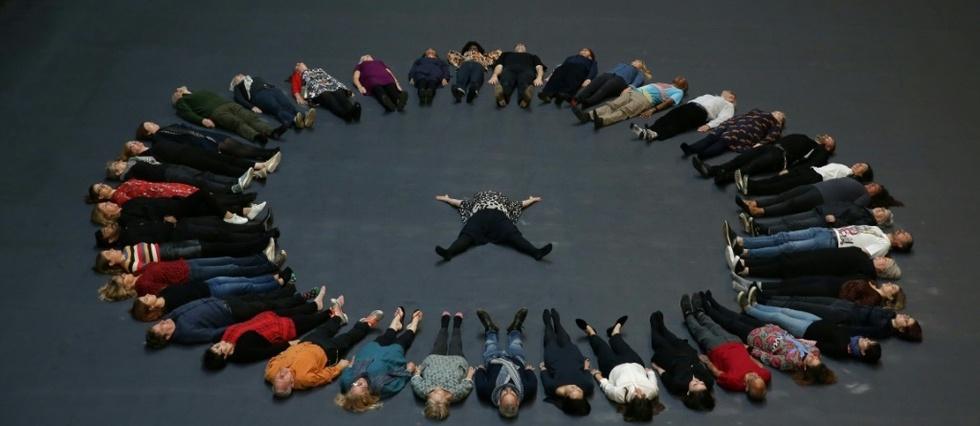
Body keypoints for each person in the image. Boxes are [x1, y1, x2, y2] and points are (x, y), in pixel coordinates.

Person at [698, 292, 836, 385]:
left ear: (805, 367)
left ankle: (709, 310)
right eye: (816, 359)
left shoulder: (790, 362)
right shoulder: (813, 352)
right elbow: (813, 347)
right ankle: (715, 304)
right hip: (771, 329)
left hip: (758, 338)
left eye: (812, 360)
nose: (813, 357)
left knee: (731, 323)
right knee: (739, 317)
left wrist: (751, 349)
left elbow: (769, 358)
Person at [204, 290, 340, 370]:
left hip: (265, 319)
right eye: (220, 349)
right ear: (225, 356)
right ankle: (332, 312)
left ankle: (316, 304)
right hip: (280, 331)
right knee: (306, 321)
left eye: (216, 346)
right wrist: (288, 345)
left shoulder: (225, 336)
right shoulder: (241, 354)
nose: (220, 344)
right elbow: (265, 352)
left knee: (294, 311)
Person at [265, 308, 384, 398]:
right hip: (328, 351)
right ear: (292, 383)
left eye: (278, 376)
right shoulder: (304, 379)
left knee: (325, 329)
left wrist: (289, 349)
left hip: (305, 343)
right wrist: (339, 367)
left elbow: (274, 360)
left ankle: (338, 317)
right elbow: (325, 375)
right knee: (348, 338)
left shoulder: (271, 374)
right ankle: (367, 323)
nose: (282, 371)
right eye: (284, 376)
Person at [144, 291, 323, 349]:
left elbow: (187, 306)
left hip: (223, 301)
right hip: (233, 313)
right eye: (162, 328)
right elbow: (213, 334)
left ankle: (299, 298)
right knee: (275, 310)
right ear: (168, 337)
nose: (163, 322)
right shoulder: (186, 333)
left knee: (265, 299)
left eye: (159, 323)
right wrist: (240, 326)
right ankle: (311, 305)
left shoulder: (172, 319)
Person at [739, 291, 883, 363]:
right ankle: (757, 305)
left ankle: (749, 310)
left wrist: (804, 341)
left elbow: (821, 345)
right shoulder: (853, 339)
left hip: (806, 330)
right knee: (785, 311)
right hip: (817, 321)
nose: (866, 339)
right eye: (869, 340)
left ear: (863, 353)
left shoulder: (843, 350)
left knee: (778, 318)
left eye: (868, 343)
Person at [679, 294, 771, 401]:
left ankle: (688, 314)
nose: (755, 374)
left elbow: (718, 374)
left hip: (717, 349)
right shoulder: (765, 376)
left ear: (746, 387)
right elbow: (760, 365)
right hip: (736, 344)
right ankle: (699, 312)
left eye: (753, 378)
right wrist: (747, 354)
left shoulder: (734, 382)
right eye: (758, 377)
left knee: (701, 331)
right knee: (714, 326)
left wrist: (708, 362)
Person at [576, 316, 665, 422]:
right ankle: (614, 332)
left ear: (630, 404)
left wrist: (596, 374)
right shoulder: (652, 391)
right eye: (643, 395)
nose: (639, 391)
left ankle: (590, 332)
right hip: (634, 362)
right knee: (619, 343)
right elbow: (652, 378)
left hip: (612, 367)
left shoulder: (618, 395)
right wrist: (649, 372)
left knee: (601, 347)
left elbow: (606, 385)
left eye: (636, 395)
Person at [336, 307, 422, 412]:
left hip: (372, 350)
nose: (358, 382)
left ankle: (397, 323)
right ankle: (413, 325)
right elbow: (398, 383)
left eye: (354, 385)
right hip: (391, 356)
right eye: (360, 385)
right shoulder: (380, 389)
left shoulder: (346, 382)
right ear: (367, 393)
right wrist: (408, 370)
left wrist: (350, 365)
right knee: (404, 339)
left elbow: (347, 371)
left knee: (387, 334)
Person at [97, 253, 284, 301]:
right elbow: (168, 290)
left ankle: (262, 260)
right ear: (126, 287)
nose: (124, 275)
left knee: (227, 260)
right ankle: (268, 267)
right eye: (123, 279)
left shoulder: (139, 274)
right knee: (230, 268)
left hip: (187, 265)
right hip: (190, 275)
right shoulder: (144, 287)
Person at [128, 272, 302, 322]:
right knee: (247, 287)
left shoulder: (162, 293)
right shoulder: (170, 309)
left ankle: (273, 278)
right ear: (150, 308)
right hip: (212, 294)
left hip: (207, 283)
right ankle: (278, 283)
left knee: (242, 278)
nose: (147, 295)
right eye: (145, 299)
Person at [434, 191, 552, 261]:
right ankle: (449, 252)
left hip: (498, 216)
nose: (490, 192)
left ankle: (536, 252)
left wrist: (531, 200)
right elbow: (458, 202)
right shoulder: (474, 202)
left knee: (514, 235)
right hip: (480, 216)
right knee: (467, 235)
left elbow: (521, 204)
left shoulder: (506, 203)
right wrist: (447, 199)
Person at [755, 294, 922, 342]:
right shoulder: (890, 313)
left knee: (798, 307)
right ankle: (764, 298)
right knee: (802, 299)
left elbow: (859, 330)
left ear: (901, 329)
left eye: (907, 321)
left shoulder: (883, 329)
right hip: (843, 305)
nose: (905, 316)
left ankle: (762, 302)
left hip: (840, 315)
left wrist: (839, 327)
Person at [693, 134, 836, 186]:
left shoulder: (820, 152)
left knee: (752, 166)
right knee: (741, 159)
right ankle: (712, 169)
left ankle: (724, 177)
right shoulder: (807, 138)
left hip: (781, 157)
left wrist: (789, 171)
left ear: (830, 147)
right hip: (772, 147)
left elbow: (811, 164)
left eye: (831, 139)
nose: (827, 136)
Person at [410, 311, 474, 420]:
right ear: (447, 401)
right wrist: (469, 375)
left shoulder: (422, 391)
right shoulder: (456, 394)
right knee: (456, 342)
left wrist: (417, 372)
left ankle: (444, 324)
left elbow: (415, 381)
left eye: (433, 393)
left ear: (428, 399)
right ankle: (457, 325)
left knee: (440, 341)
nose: (437, 390)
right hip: (456, 361)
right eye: (440, 394)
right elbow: (467, 386)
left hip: (435, 359)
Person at [473, 308, 537, 419]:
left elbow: (479, 380)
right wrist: (529, 370)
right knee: (516, 344)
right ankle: (515, 328)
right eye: (512, 393)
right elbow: (533, 381)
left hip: (494, 358)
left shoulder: (486, 391)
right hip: (516, 359)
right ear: (517, 402)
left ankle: (490, 329)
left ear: (498, 402)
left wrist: (480, 370)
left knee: (491, 344)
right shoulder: (527, 391)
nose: (509, 389)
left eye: (504, 393)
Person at [648, 310, 715, 411]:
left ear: (688, 392)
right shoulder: (709, 381)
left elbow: (665, 376)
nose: (698, 381)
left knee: (658, 340)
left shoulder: (676, 386)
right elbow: (703, 367)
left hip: (670, 358)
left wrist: (657, 368)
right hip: (686, 353)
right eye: (701, 383)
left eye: (695, 384)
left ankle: (654, 325)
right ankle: (662, 325)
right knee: (670, 336)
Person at [726, 223, 914, 258]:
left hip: (833, 243)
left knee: (788, 247)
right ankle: (743, 242)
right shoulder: (877, 230)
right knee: (783, 237)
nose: (903, 231)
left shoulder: (884, 245)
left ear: (899, 244)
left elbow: (864, 254)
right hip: (828, 231)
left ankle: (748, 253)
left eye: (905, 236)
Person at [94, 237, 274, 274]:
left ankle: (255, 249)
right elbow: (153, 267)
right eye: (109, 253)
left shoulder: (126, 250)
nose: (112, 250)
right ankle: (255, 250)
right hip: (171, 255)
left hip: (166, 244)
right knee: (212, 249)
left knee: (204, 243)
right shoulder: (130, 265)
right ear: (111, 263)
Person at [171, 86, 282, 144]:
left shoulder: (195, 93)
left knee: (249, 117)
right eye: (177, 92)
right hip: (216, 112)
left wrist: (185, 90)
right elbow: (187, 114)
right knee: (236, 123)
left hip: (228, 104)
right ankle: (256, 136)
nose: (178, 90)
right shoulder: (182, 101)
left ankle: (272, 132)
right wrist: (202, 120)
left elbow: (186, 90)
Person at [738, 179, 903, 218]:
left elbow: (853, 206)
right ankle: (755, 202)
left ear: (876, 194)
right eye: (873, 184)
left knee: (792, 204)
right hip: (817, 187)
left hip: (823, 197)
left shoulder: (865, 197)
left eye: (876, 188)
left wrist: (832, 208)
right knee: (784, 196)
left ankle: (761, 211)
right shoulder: (857, 182)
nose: (872, 186)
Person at [120, 140, 280, 179]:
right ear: (131, 151)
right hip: (186, 160)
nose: (135, 144)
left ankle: (260, 164)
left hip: (190, 151)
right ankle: (254, 174)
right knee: (220, 166)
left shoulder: (155, 144)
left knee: (225, 158)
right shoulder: (145, 157)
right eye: (131, 145)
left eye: (133, 141)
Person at [90, 191, 266, 227]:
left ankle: (246, 212)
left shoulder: (127, 205)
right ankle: (229, 216)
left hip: (172, 204)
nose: (110, 203)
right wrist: (166, 221)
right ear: (106, 215)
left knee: (207, 206)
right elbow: (148, 222)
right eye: (106, 206)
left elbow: (151, 200)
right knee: (202, 193)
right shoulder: (126, 219)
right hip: (172, 214)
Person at [95, 214, 275, 249]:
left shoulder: (128, 227)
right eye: (106, 231)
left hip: (179, 226)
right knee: (221, 235)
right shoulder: (129, 242)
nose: (109, 226)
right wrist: (169, 227)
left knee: (218, 225)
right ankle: (261, 236)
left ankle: (258, 228)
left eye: (106, 226)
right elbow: (155, 241)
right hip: (179, 236)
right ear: (110, 241)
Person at [730, 275, 906, 310]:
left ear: (890, 297)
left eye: (893, 288)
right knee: (791, 281)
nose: (890, 284)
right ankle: (752, 284)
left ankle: (752, 292)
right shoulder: (873, 283)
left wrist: (846, 289)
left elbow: (851, 304)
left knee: (791, 291)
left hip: (829, 291)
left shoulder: (874, 299)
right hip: (829, 280)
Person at [574, 77, 688, 130]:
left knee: (625, 111)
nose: (680, 77)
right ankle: (587, 116)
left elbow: (669, 102)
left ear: (684, 86)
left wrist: (653, 110)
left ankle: (603, 121)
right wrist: (631, 88)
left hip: (645, 100)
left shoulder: (679, 92)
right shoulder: (665, 83)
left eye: (682, 79)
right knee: (612, 104)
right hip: (634, 92)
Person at [135, 121, 279, 162]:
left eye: (152, 122)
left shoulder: (169, 127)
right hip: (199, 144)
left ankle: (263, 153)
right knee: (233, 150)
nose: (153, 124)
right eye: (150, 125)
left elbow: (187, 128)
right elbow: (180, 145)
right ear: (148, 133)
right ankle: (264, 155)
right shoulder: (159, 139)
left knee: (236, 144)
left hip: (204, 135)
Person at [731, 247, 902, 280]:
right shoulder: (864, 259)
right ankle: (746, 261)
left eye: (884, 261)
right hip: (817, 257)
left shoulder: (864, 272)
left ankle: (747, 269)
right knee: (782, 258)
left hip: (816, 266)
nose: (882, 258)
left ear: (882, 269)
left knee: (781, 267)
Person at [540, 308, 593, 416]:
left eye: (572, 390)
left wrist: (543, 369)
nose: (575, 387)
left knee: (549, 337)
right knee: (564, 337)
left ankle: (547, 323)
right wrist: (586, 367)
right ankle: (557, 321)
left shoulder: (552, 388)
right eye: (579, 390)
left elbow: (545, 377)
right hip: (573, 357)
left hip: (554, 358)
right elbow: (587, 375)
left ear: (566, 398)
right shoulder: (587, 386)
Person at [631, 90, 736, 142]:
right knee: (667, 117)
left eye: (727, 92)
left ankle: (657, 134)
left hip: (701, 112)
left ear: (731, 97)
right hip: (689, 106)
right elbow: (696, 99)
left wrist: (709, 125)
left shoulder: (729, 105)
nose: (724, 91)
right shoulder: (710, 96)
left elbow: (724, 118)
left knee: (678, 124)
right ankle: (648, 131)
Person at [105, 158, 252, 194]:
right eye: (116, 165)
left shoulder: (133, 163)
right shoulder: (130, 176)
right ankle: (230, 188)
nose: (119, 162)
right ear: (117, 172)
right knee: (199, 181)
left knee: (202, 174)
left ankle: (236, 180)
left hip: (167, 167)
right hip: (167, 175)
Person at [680, 109, 785, 160]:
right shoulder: (758, 113)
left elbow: (772, 136)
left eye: (780, 115)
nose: (777, 113)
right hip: (735, 124)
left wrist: (760, 144)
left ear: (781, 121)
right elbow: (743, 116)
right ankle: (690, 149)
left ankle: (704, 155)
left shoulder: (775, 124)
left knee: (724, 141)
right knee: (712, 137)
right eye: (776, 112)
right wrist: (728, 122)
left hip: (746, 132)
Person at [742, 204, 893, 236]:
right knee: (789, 220)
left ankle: (761, 229)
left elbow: (849, 228)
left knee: (795, 226)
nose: (880, 210)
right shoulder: (864, 209)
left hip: (827, 223)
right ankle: (760, 226)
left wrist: (834, 221)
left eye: (882, 213)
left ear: (880, 222)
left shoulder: (867, 223)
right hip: (822, 212)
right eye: (882, 208)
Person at [230, 73, 314, 130]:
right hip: (258, 95)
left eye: (241, 75)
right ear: (236, 82)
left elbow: (264, 83)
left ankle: (304, 118)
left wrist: (273, 88)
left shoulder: (254, 78)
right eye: (238, 77)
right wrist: (252, 107)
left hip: (271, 90)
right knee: (276, 107)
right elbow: (239, 99)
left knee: (287, 104)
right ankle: (294, 120)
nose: (240, 75)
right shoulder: (238, 87)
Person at [737, 162, 873, 196]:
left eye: (862, 166)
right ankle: (750, 184)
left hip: (816, 178)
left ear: (861, 174)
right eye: (860, 162)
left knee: (784, 184)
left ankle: (751, 189)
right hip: (812, 171)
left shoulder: (849, 177)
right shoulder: (845, 167)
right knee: (779, 179)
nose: (858, 163)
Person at [290, 62, 361, 122]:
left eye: (301, 64)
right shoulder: (297, 75)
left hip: (329, 85)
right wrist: (298, 96)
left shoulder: (316, 70)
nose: (300, 64)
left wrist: (345, 88)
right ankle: (344, 115)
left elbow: (331, 78)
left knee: (338, 91)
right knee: (327, 96)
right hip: (316, 91)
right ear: (297, 70)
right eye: (298, 65)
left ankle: (352, 110)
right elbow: (295, 86)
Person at [572, 60, 651, 109]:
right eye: (635, 61)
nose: (635, 62)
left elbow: (638, 81)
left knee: (604, 89)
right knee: (593, 85)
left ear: (641, 66)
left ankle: (587, 102)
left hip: (621, 80)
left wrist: (630, 87)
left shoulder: (639, 72)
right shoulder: (622, 64)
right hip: (608, 74)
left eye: (638, 62)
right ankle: (577, 98)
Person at [488, 43, 546, 109]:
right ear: (515, 49)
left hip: (526, 70)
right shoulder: (505, 54)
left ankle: (524, 100)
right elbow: (499, 66)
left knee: (524, 83)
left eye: (522, 45)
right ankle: (502, 98)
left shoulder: (532, 56)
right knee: (506, 82)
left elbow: (539, 67)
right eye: (518, 45)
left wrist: (539, 77)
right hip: (509, 69)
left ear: (525, 49)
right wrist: (494, 75)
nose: (520, 46)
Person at [87, 180, 198, 205]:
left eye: (101, 184)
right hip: (161, 195)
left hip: (163, 186)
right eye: (100, 189)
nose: (104, 186)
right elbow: (140, 202)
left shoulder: (121, 187)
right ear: (101, 196)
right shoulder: (119, 198)